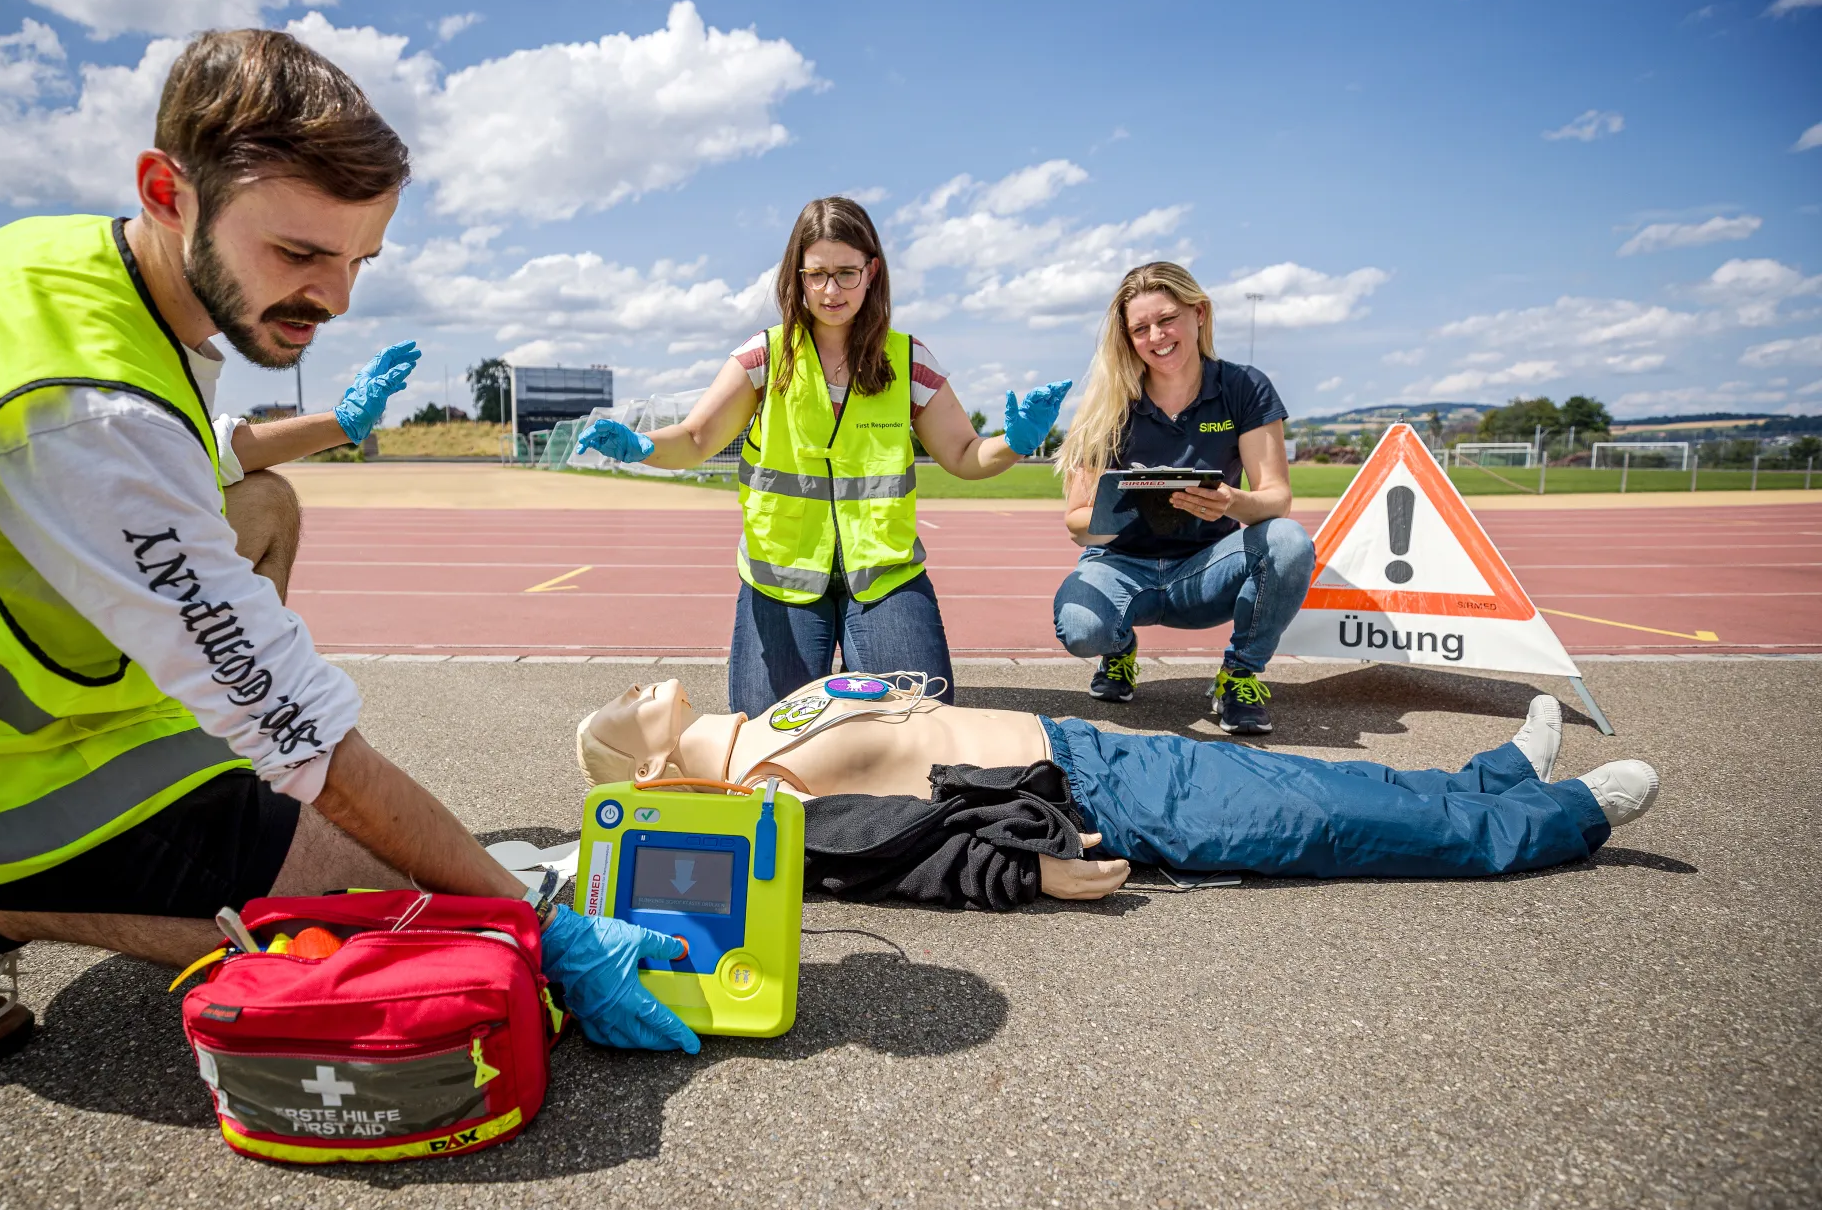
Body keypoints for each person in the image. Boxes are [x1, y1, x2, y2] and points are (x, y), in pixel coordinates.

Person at [0, 29, 696, 1090]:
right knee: (415, 922)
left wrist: (336, 418)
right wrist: (532, 927)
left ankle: (174, 799)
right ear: (168, 190)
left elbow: (182, 458)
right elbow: (312, 742)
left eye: (357, 259)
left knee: (263, 504)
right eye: (298, 255)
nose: (335, 299)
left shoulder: (66, 270)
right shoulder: (78, 417)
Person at [574, 196, 1072, 717]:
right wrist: (643, 446)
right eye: (817, 275)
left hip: (884, 578)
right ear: (798, 276)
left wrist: (1013, 443)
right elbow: (698, 437)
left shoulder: (907, 359)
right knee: (769, 735)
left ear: (872, 270)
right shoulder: (766, 356)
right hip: (782, 579)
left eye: (846, 273)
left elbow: (966, 454)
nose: (831, 290)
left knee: (920, 723)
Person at [576, 676, 1661, 896]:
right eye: (620, 714)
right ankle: (1555, 820)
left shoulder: (768, 715)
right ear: (653, 770)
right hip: (1102, 802)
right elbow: (898, 851)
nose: (634, 687)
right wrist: (1029, 872)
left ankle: (1494, 773)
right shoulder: (764, 801)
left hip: (1083, 740)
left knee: (1306, 776)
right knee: (1325, 821)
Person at [1054, 262, 1316, 734]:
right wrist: (1118, 512)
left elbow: (1276, 498)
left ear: (1199, 314)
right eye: (1140, 328)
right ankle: (1117, 651)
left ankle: (1239, 676)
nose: (1157, 335)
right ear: (1127, 338)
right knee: (1080, 627)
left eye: (1167, 319)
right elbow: (1076, 522)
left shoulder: (1243, 387)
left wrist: (1231, 501)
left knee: (1289, 540)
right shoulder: (1107, 402)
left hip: (1205, 570)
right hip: (1120, 563)